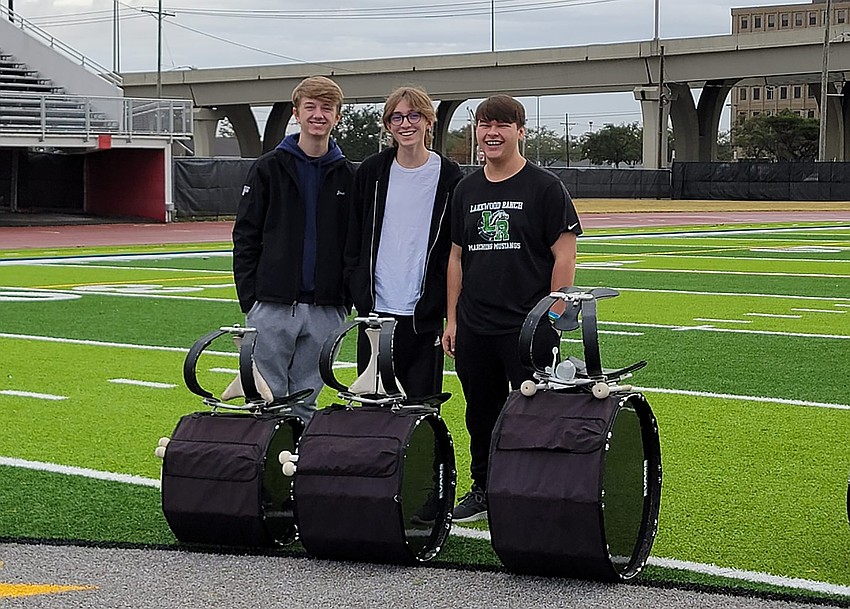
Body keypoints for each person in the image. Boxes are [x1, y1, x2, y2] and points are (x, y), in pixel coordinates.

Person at [443, 94, 582, 522]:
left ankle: (533, 489)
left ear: (520, 131)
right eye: (485, 125)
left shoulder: (544, 187)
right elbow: (455, 257)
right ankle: (484, 487)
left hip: (528, 324)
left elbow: (565, 252)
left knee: (536, 410)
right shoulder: (466, 189)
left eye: (502, 125)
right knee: (479, 413)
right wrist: (451, 319)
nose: (492, 133)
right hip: (476, 324)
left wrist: (554, 310)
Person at [232, 75, 355, 423]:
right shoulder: (269, 168)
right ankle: (261, 472)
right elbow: (245, 236)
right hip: (272, 304)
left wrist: (343, 298)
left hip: (325, 308)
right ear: (296, 113)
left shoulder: (348, 176)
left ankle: (295, 470)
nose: (319, 115)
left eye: (326, 108)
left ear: (337, 116)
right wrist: (251, 298)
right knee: (265, 399)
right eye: (311, 107)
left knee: (305, 403)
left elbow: (354, 243)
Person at [345, 86, 463, 399]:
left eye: (413, 115)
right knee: (372, 409)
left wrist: (439, 304)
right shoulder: (372, 171)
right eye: (396, 117)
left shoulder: (450, 177)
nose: (405, 124)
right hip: (376, 312)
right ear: (388, 125)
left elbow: (454, 249)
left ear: (428, 121)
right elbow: (354, 235)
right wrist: (358, 287)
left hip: (422, 317)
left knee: (420, 412)